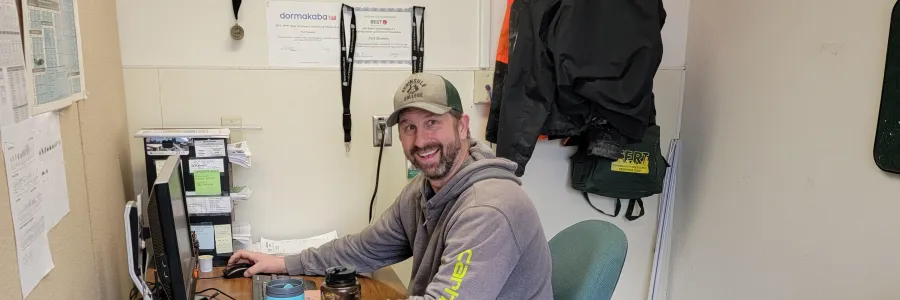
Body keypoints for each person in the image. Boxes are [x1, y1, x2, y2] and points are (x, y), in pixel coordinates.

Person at [228, 73, 553, 299]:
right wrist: (284, 263)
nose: (421, 140)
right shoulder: (423, 192)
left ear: (463, 126)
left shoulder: (489, 209)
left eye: (432, 123)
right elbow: (362, 249)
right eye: (409, 127)